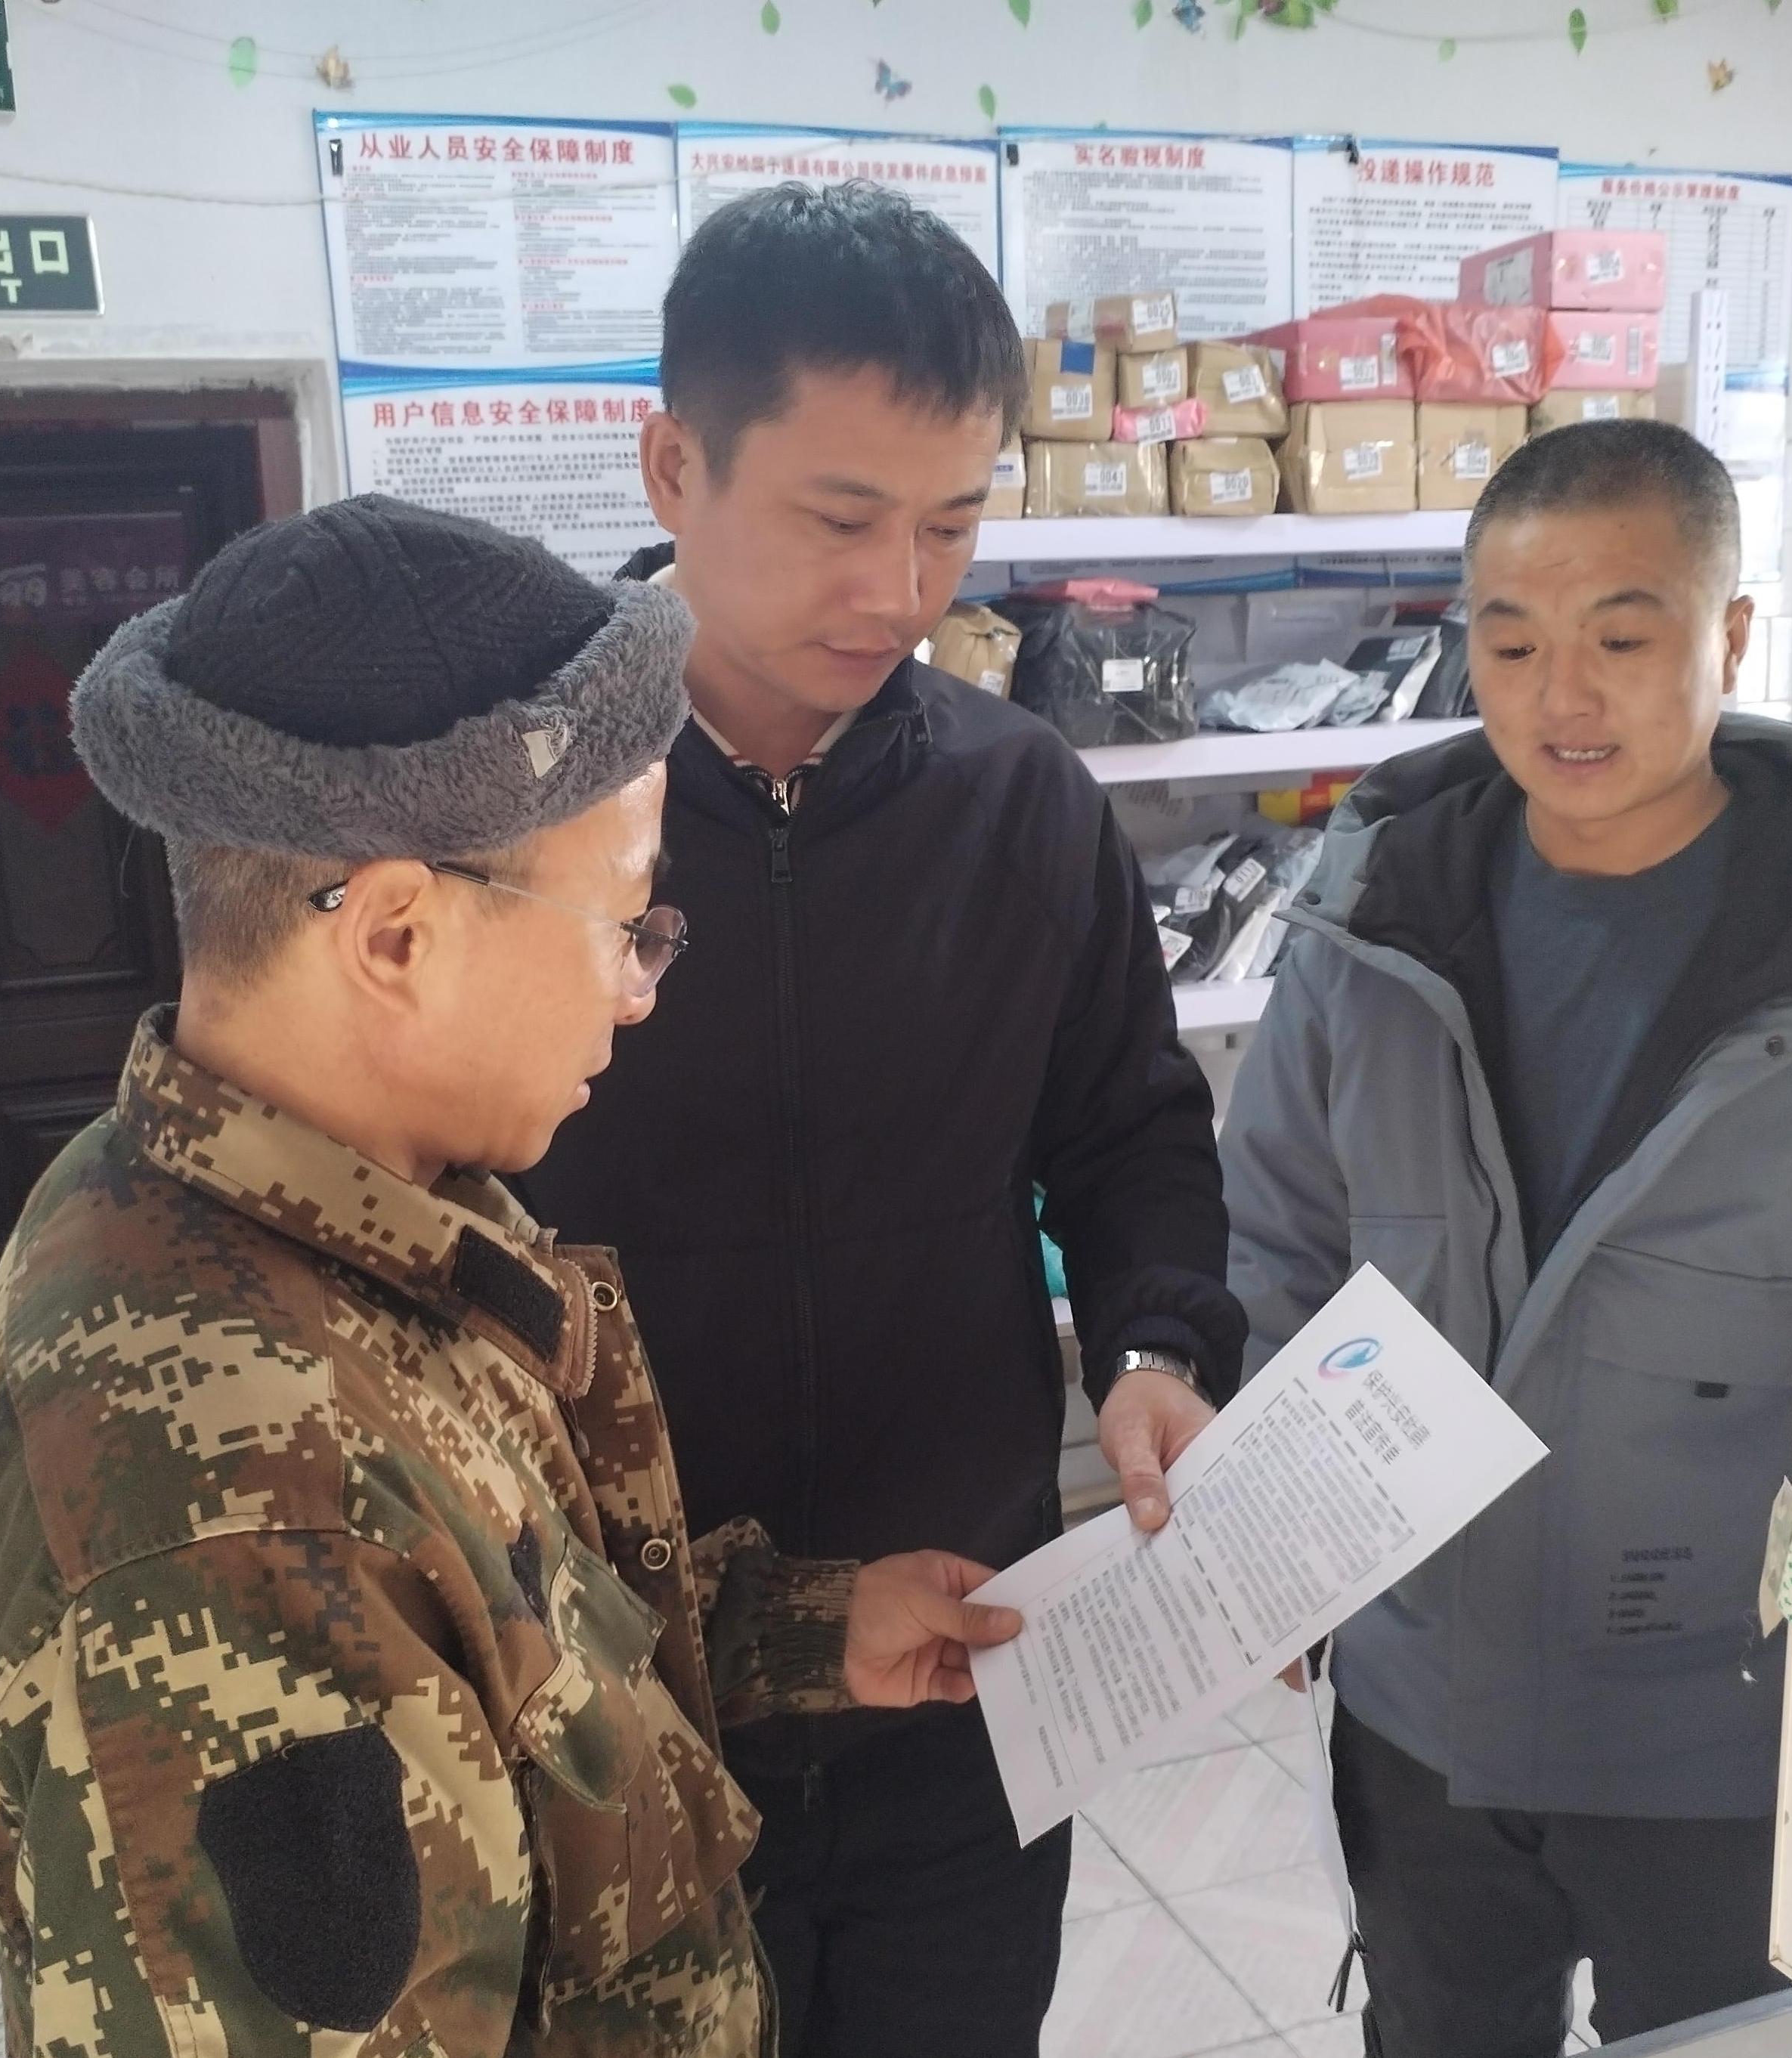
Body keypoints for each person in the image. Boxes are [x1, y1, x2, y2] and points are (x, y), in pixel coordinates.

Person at [0, 497, 1023, 2058]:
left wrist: (806, 1626)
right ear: (394, 936)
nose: (639, 991)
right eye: (624, 922)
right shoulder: (239, 1508)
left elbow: (510, 1640)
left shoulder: (300, 1216)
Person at [516, 182, 1248, 2058]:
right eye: (840, 521)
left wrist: (1154, 1347)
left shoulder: (1022, 803)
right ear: (674, 467)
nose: (901, 594)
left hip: (966, 1664)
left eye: (950, 524)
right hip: (610, 1685)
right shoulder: (518, 817)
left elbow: (1125, 1129)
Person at [1222, 419, 1792, 2054]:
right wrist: (1271, 1545)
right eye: (1509, 645)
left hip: (1728, 1739)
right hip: (1423, 1713)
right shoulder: (1374, 920)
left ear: (1729, 638)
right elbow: (1277, 1244)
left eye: (1621, 641)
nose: (1562, 698)